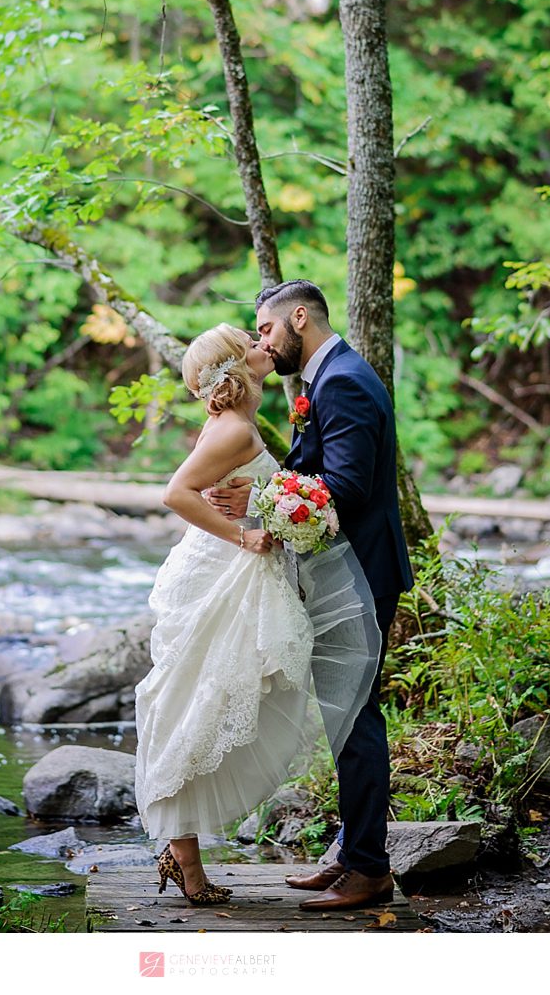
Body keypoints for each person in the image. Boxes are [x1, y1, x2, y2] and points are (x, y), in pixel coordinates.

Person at [208, 279, 414, 912]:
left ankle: (368, 871)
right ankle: (352, 857)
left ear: (300, 317)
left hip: (359, 576)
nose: (262, 343)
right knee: (344, 717)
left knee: (355, 720)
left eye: (266, 329)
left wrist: (260, 500)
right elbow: (321, 473)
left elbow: (346, 488)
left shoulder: (343, 380)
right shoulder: (329, 377)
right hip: (345, 573)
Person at [133, 323, 314, 905]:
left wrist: (267, 510)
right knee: (196, 705)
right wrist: (244, 536)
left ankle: (181, 853)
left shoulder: (234, 424)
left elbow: (248, 486)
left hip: (224, 571)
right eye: (253, 344)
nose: (267, 347)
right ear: (236, 367)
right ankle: (186, 863)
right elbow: (176, 494)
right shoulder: (233, 429)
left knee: (204, 704)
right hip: (218, 574)